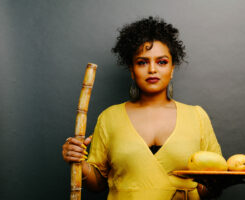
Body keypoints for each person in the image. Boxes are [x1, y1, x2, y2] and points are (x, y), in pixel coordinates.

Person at [62, 16, 224, 200]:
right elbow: (98, 184)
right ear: (132, 70)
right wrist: (78, 163)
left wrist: (200, 190)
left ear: (172, 69)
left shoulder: (197, 116)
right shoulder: (109, 117)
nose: (152, 69)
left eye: (161, 62)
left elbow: (216, 180)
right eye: (142, 62)